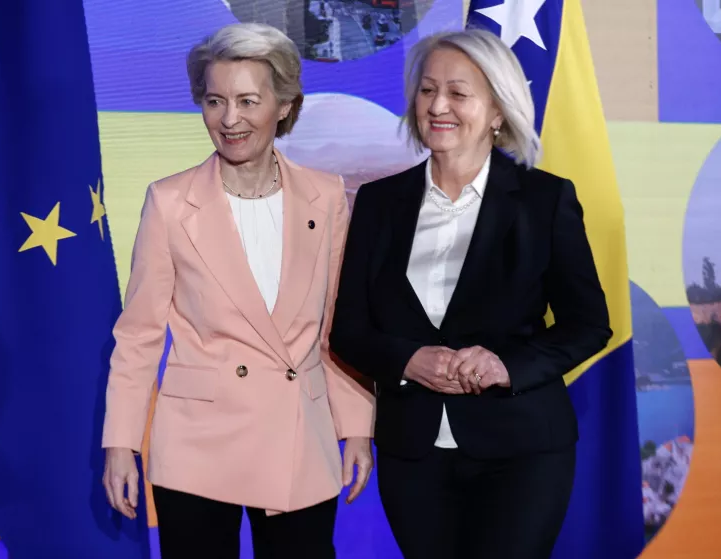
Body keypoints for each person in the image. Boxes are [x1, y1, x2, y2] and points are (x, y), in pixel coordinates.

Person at [328, 28, 613, 559]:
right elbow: (349, 329)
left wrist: (508, 364)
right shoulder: (377, 202)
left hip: (523, 450)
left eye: (458, 93)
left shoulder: (544, 200)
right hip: (412, 453)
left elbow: (589, 324)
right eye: (427, 90)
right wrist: (410, 360)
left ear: (498, 110)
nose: (438, 106)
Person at [101, 22, 375, 559]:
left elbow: (334, 327)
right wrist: (120, 444)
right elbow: (138, 337)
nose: (229, 119)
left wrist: (358, 425)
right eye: (214, 101)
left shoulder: (326, 196)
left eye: (248, 100)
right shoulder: (170, 202)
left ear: (284, 105)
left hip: (299, 435)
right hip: (198, 444)